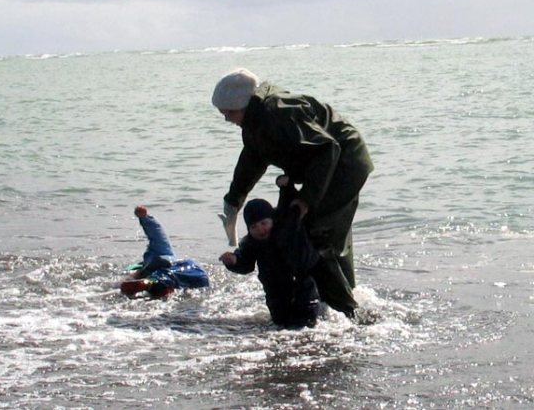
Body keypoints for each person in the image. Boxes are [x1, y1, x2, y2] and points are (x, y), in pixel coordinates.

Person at [212, 68, 373, 316]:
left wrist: (306, 199)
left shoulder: (278, 113)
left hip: (345, 163)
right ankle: (343, 297)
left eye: (230, 113)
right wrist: (234, 200)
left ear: (244, 104)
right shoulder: (254, 120)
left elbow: (328, 149)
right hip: (325, 166)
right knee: (331, 234)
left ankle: (346, 310)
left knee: (313, 233)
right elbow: (252, 159)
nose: (227, 119)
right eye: (223, 114)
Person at [219, 193, 322, 328]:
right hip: (274, 289)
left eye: (263, 223)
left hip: (302, 282)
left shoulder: (287, 230)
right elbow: (246, 264)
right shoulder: (250, 243)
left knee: (307, 320)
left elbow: (292, 209)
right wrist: (234, 261)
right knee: (280, 322)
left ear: (273, 220)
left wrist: (288, 191)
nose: (260, 229)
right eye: (254, 227)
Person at [120, 206, 210, 298]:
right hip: (197, 273)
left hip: (169, 274)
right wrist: (145, 217)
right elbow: (158, 235)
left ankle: (151, 284)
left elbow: (158, 236)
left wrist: (145, 218)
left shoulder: (154, 260)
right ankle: (154, 285)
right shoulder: (163, 254)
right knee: (169, 276)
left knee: (162, 278)